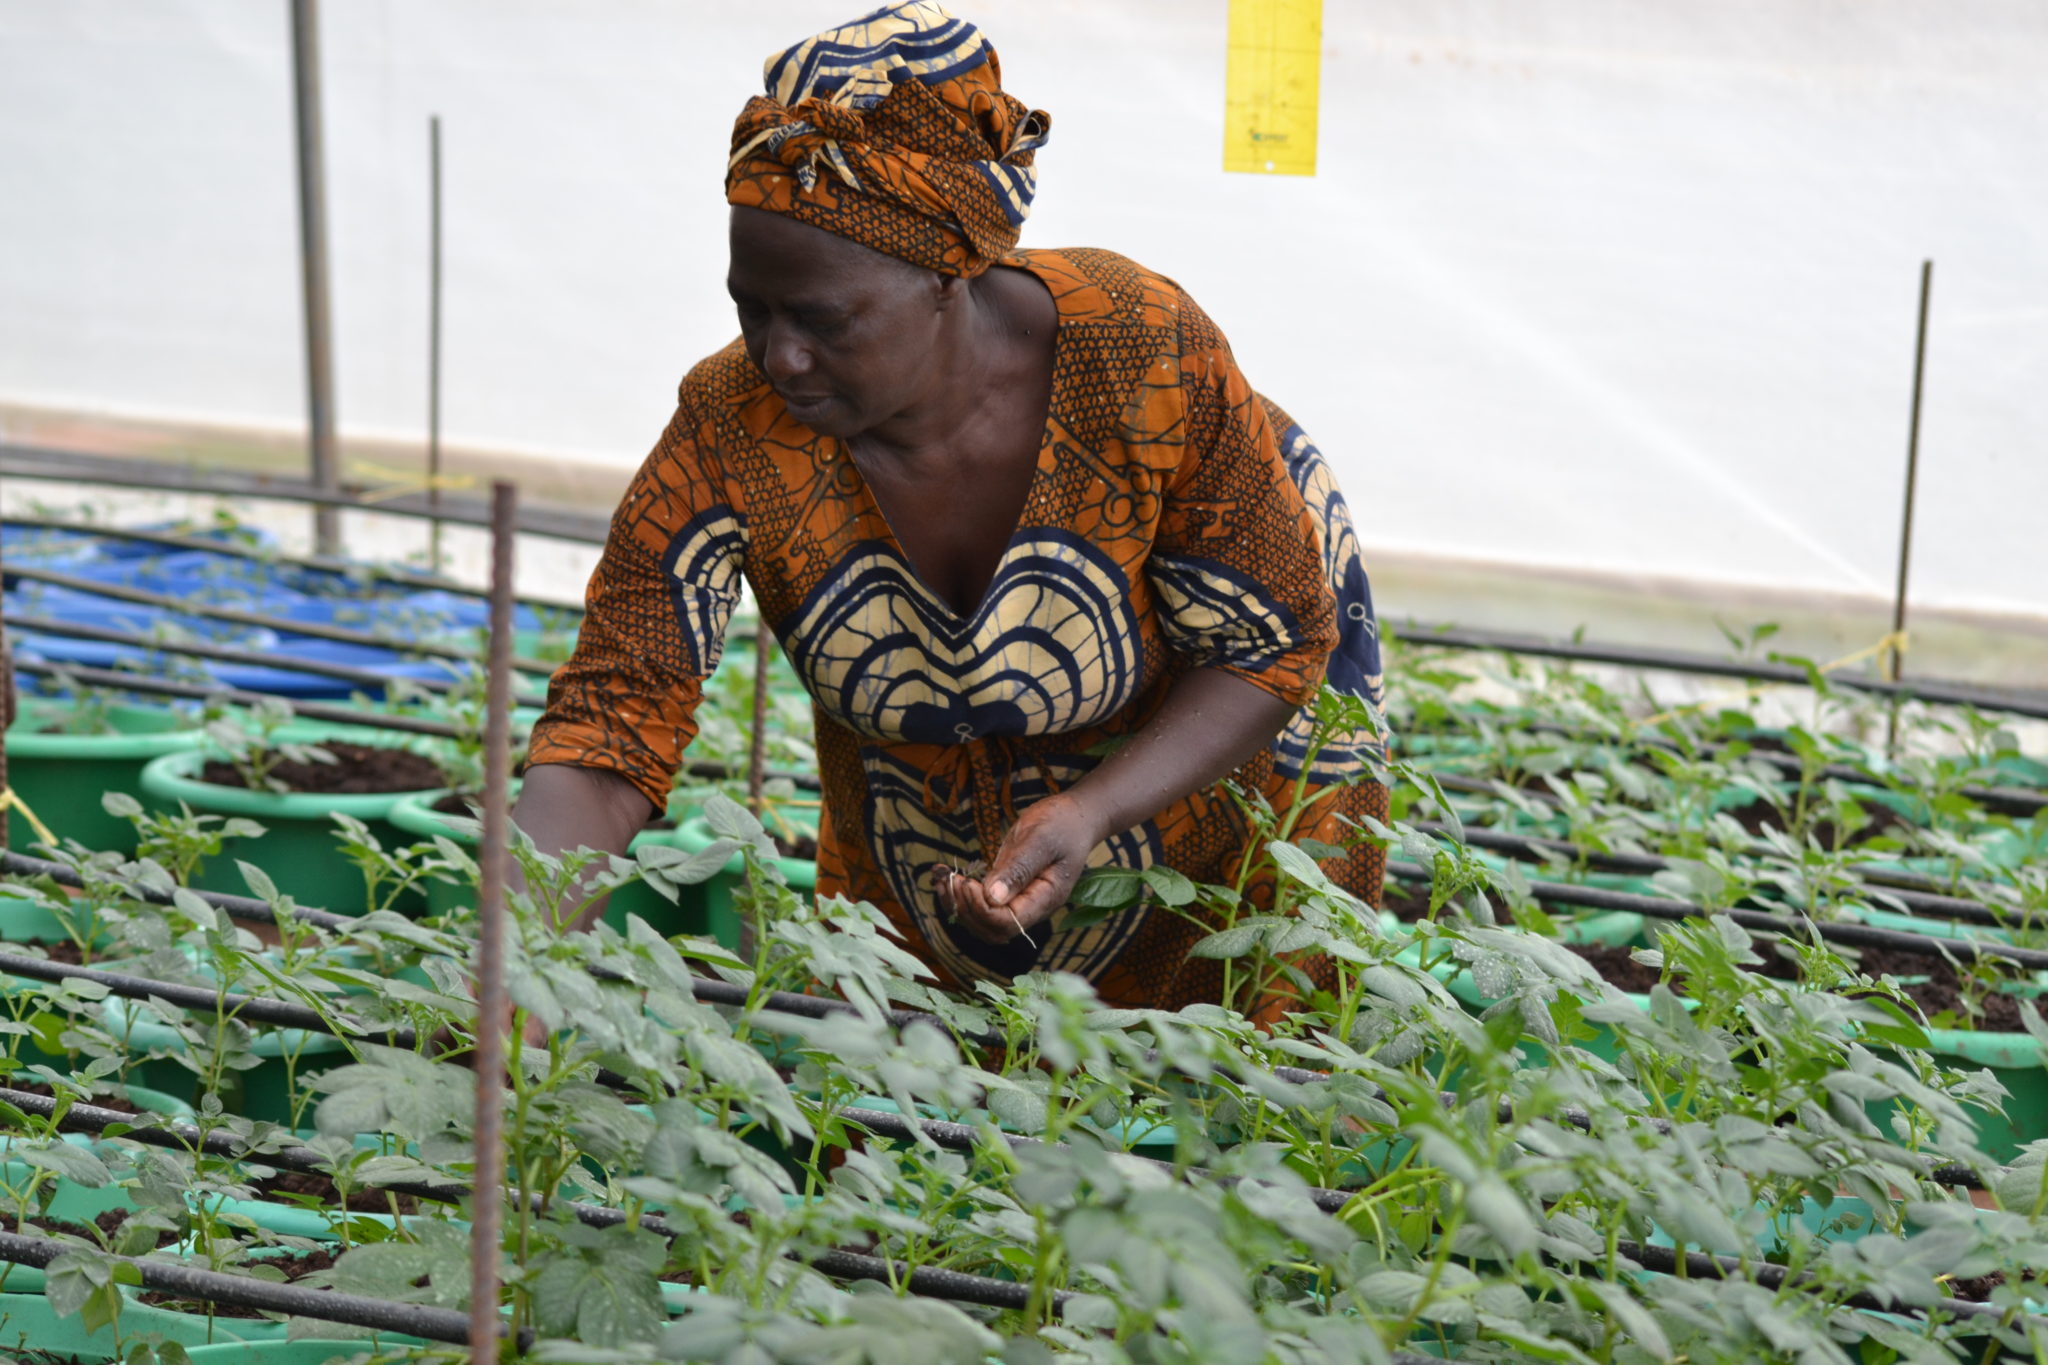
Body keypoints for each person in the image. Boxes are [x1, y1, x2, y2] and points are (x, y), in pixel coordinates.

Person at [517, 0, 1389, 1017]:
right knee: (928, 1087)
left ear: (947, 273)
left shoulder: (1138, 353)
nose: (777, 353)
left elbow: (1263, 646)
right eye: (749, 307)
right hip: (919, 818)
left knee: (1216, 1056)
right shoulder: (731, 424)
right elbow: (612, 720)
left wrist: (1093, 809)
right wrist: (516, 945)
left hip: (1207, 766)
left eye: (822, 319)